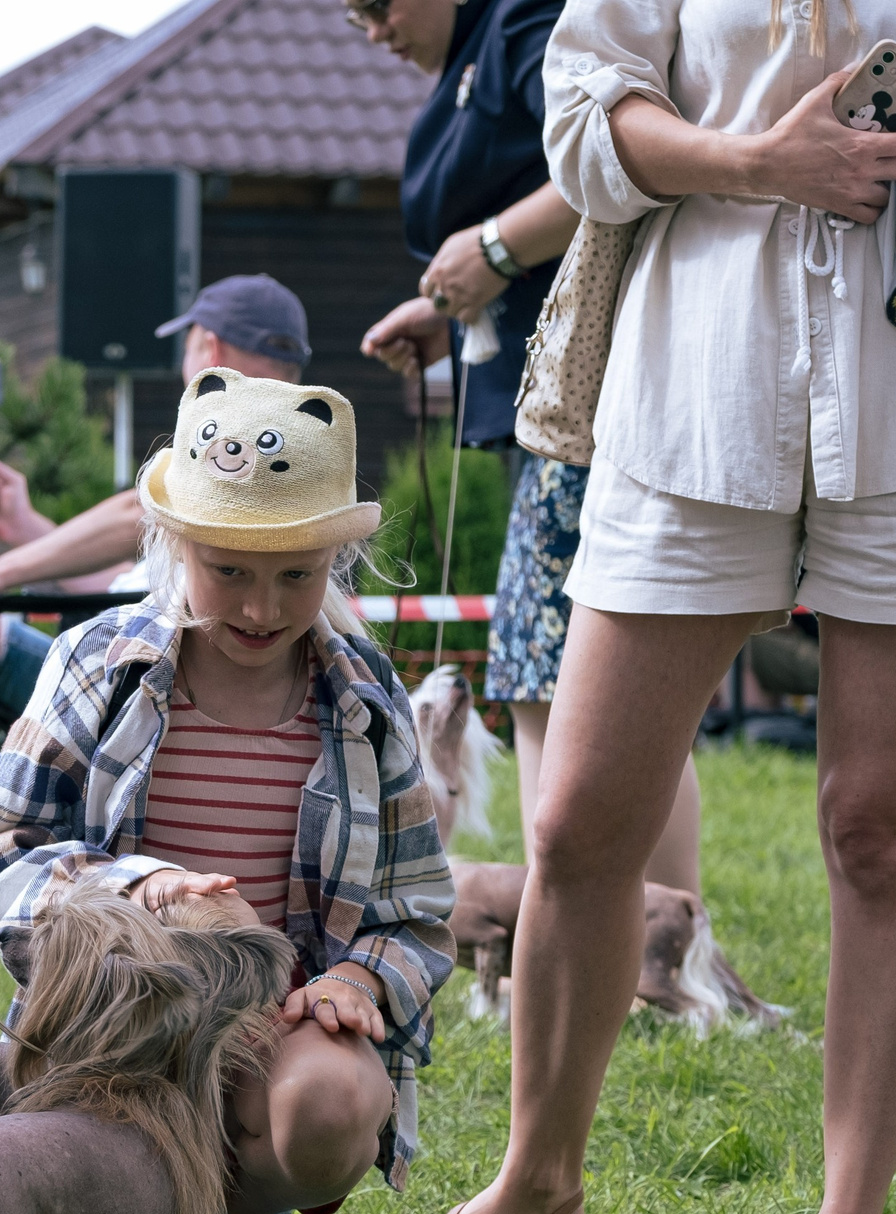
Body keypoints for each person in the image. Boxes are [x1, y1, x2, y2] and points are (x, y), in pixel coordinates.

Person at [373, 0, 896, 1214]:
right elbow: (586, 114)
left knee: (883, 829)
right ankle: (537, 1186)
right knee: (580, 819)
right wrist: (757, 161)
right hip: (693, 387)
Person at [0, 369, 454, 1214]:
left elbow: (416, 912)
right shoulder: (98, 665)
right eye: (229, 571)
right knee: (121, 1068)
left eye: (295, 575)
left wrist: (360, 982)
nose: (260, 608)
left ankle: (243, 1212)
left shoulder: (365, 698)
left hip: (269, 1028)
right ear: (174, 542)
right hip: (119, 1024)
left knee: (335, 1099)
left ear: (339, 558)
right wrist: (136, 887)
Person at [354, 0, 700, 883]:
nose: (374, 30)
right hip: (555, 408)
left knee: (563, 675)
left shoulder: (525, 22)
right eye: (356, 16)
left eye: (377, 5)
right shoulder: (490, 43)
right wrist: (450, 310)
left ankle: (642, 925)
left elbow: (611, 158)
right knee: (569, 674)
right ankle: (657, 924)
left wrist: (495, 251)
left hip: (590, 411)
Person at [0, 275, 311, 836]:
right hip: (145, 665)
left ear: (209, 347)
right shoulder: (299, 455)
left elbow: (139, 514)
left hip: (128, 684)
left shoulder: (228, 448)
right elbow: (140, 584)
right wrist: (27, 530)